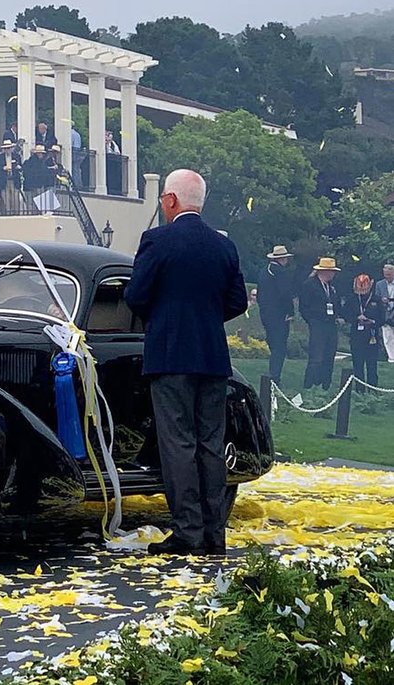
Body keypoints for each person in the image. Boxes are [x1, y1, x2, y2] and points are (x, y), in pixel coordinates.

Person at [125, 169, 247, 557]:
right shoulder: (223, 246)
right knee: (210, 444)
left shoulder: (157, 241)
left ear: (172, 201)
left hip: (170, 353)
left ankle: (187, 531)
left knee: (177, 443)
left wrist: (163, 317)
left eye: (163, 198)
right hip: (212, 357)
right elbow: (238, 301)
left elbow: (136, 294)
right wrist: (206, 318)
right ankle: (214, 533)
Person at [256, 245, 296, 385]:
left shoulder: (263, 272)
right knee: (279, 346)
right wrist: (290, 311)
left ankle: (272, 374)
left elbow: (260, 295)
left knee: (273, 343)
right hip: (279, 314)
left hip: (266, 313)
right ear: (282, 259)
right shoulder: (280, 272)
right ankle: (275, 376)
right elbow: (285, 293)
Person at [300, 257, 341, 390]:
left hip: (330, 324)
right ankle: (309, 384)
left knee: (329, 355)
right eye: (329, 271)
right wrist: (312, 320)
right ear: (321, 271)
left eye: (333, 271)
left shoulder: (332, 288)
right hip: (317, 323)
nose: (331, 274)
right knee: (316, 356)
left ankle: (325, 385)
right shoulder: (309, 285)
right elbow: (304, 307)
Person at [344, 273, 382, 391]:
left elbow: (382, 318)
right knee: (358, 364)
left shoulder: (376, 299)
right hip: (357, 335)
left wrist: (373, 322)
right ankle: (359, 389)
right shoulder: (352, 299)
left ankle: (373, 389)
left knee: (372, 365)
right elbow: (345, 314)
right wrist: (356, 318)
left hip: (372, 336)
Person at [375, 264, 394, 363]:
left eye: (389, 274)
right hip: (385, 313)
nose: (387, 276)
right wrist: (381, 300)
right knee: (387, 337)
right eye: (386, 274)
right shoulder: (379, 284)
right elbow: (376, 297)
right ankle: (391, 358)